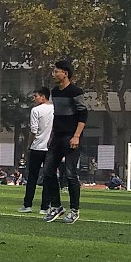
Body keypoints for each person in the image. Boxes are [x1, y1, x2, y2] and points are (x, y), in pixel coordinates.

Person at [41, 58, 89, 224]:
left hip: (71, 136)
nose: (53, 74)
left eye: (56, 71)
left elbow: (83, 114)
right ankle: (56, 207)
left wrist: (76, 136)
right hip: (58, 137)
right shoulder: (55, 92)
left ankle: (74, 210)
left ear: (65, 74)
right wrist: (52, 136)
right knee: (48, 171)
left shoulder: (75, 91)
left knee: (70, 173)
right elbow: (57, 116)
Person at [20, 86, 53, 213]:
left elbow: (33, 130)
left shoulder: (36, 110)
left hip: (37, 147)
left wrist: (28, 145)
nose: (34, 98)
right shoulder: (55, 109)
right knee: (48, 177)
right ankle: (45, 207)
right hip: (50, 148)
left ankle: (27, 205)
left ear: (43, 97)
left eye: (36, 96)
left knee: (32, 177)